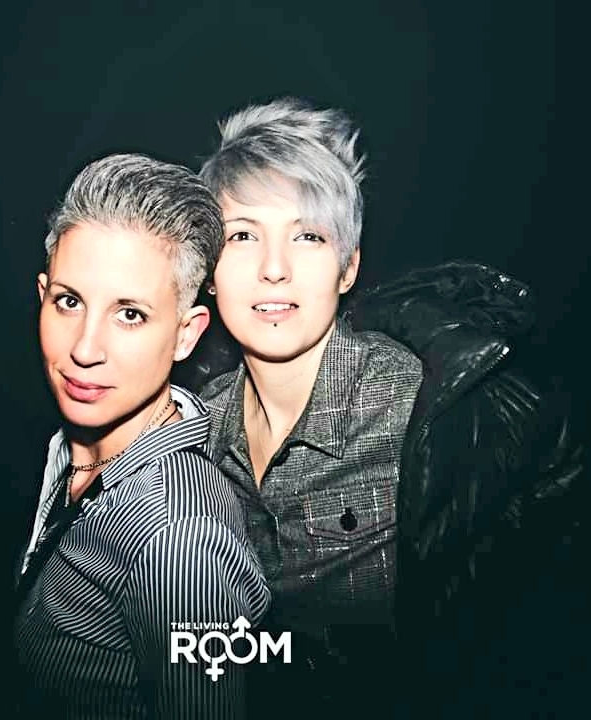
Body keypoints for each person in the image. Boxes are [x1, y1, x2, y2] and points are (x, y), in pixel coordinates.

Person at [190, 97, 584, 716]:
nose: (274, 268)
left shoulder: (428, 411)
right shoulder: (192, 431)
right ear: (209, 271)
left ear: (348, 267)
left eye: (308, 236)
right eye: (243, 235)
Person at [13, 153, 271, 719]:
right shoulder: (72, 447)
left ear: (185, 335)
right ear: (42, 295)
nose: (85, 349)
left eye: (129, 314)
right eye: (69, 302)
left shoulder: (180, 539)